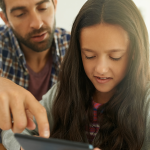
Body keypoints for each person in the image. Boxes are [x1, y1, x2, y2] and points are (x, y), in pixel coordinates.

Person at [1, 0, 150, 149]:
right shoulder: (62, 92)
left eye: (115, 57)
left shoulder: (145, 104)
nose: (101, 69)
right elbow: (11, 131)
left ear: (134, 53)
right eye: (89, 56)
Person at [0, 0, 70, 143]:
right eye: (20, 14)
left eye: (43, 8)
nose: (37, 24)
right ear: (5, 19)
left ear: (55, 4)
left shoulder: (76, 48)